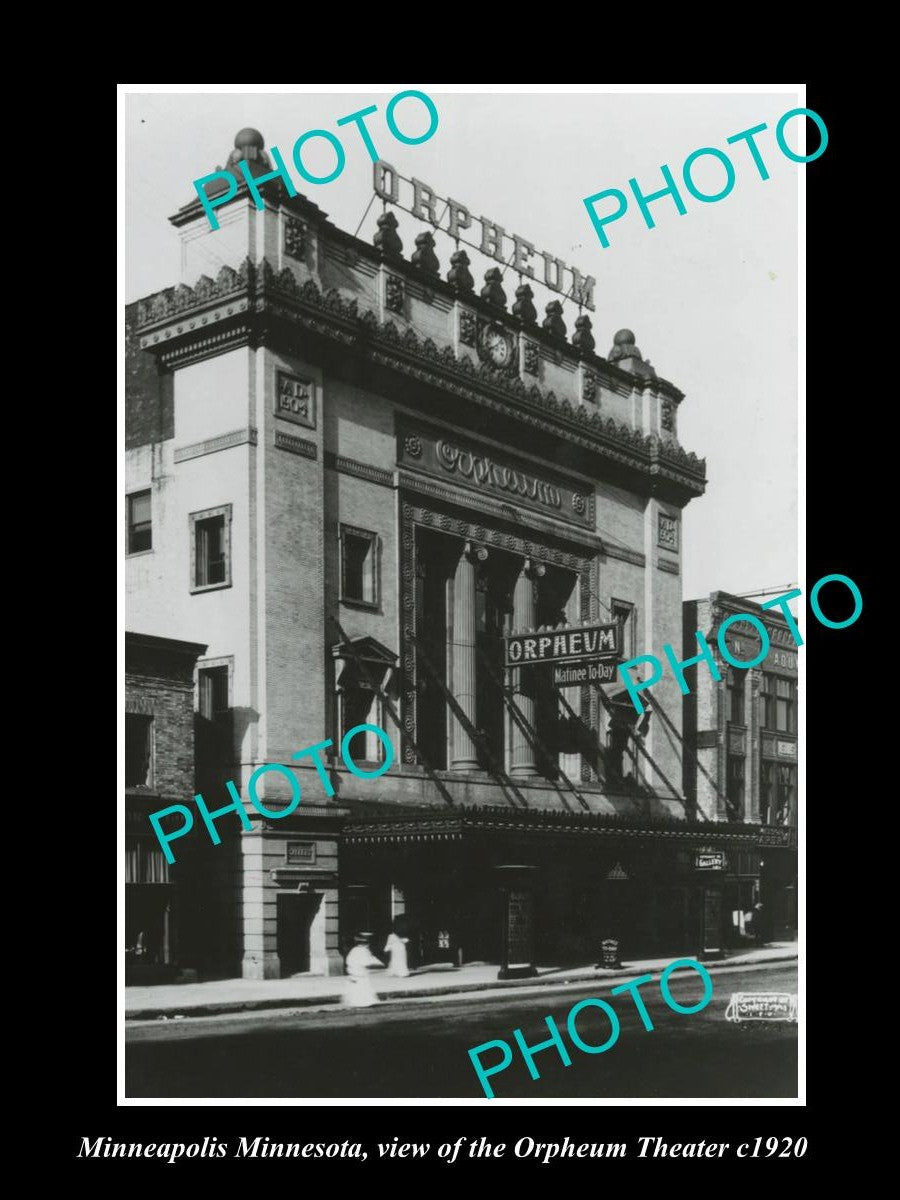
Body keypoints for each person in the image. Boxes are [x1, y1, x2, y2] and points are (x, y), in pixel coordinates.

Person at [344, 932, 383, 1008]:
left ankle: (356, 1002)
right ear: (365, 944)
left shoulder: (354, 950)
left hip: (353, 971)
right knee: (363, 987)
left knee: (356, 988)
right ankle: (363, 1002)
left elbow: (348, 961)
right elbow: (366, 962)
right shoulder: (364, 951)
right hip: (360, 972)